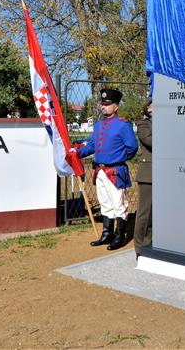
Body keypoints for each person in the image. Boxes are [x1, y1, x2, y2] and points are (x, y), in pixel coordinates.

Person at [74, 88, 138, 251]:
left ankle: (120, 236)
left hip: (115, 171)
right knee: (105, 203)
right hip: (100, 171)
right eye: (102, 104)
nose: (103, 107)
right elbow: (93, 146)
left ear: (115, 106)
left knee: (118, 203)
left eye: (107, 104)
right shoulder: (98, 125)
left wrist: (119, 158)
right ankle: (107, 234)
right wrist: (78, 152)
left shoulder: (123, 125)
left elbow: (132, 147)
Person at [134, 100, 153, 258]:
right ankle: (139, 248)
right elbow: (150, 141)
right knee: (144, 213)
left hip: (165, 173)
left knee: (156, 213)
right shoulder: (143, 124)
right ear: (148, 108)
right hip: (149, 174)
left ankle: (150, 242)